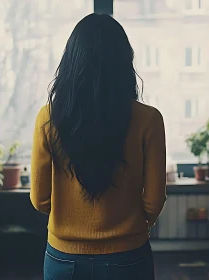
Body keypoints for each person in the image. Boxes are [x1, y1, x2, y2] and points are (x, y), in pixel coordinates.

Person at [30, 13, 166, 280]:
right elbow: (154, 200)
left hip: (63, 257)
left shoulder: (48, 117)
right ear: (124, 62)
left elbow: (39, 199)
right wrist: (133, 224)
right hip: (127, 255)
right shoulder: (149, 119)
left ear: (71, 62)